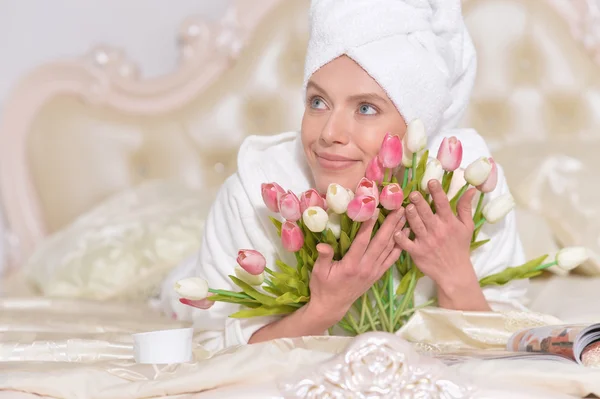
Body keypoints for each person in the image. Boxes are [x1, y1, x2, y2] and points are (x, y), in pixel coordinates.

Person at [160, 0, 528, 354]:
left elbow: (512, 343)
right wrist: (323, 309)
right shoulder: (259, 190)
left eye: (366, 108)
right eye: (317, 102)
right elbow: (213, 353)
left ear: (421, 124)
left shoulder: (468, 184)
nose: (329, 133)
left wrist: (456, 276)